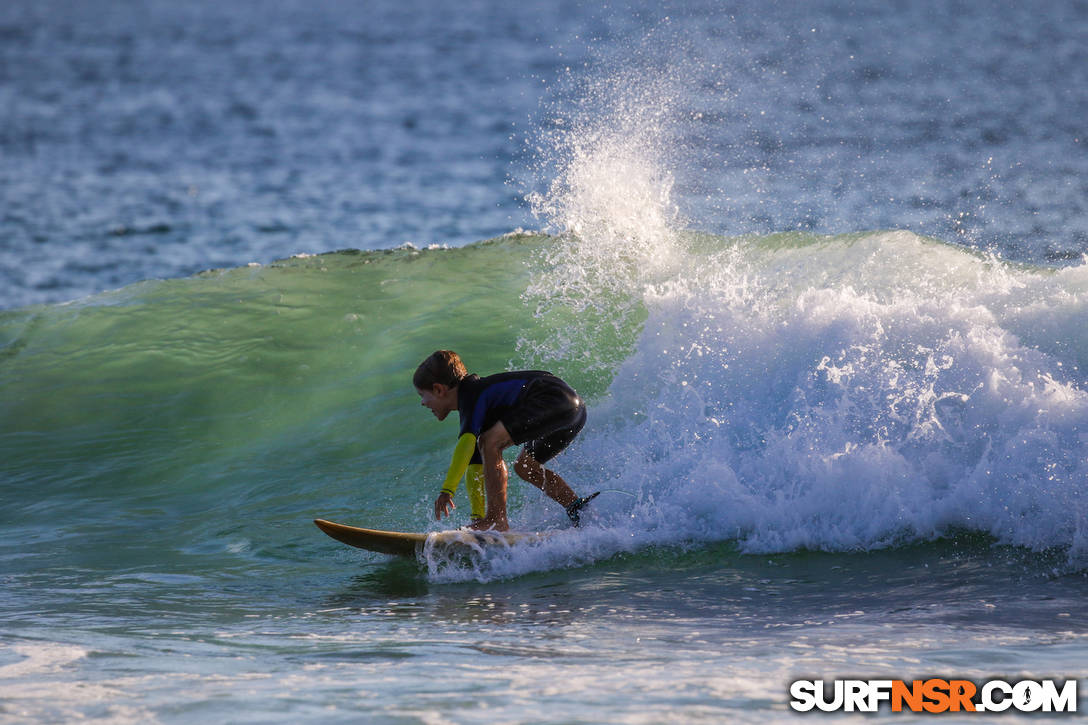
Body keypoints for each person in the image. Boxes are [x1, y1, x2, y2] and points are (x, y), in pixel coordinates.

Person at [413, 350, 599, 531]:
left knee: (490, 441)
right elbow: (476, 462)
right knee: (525, 466)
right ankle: (577, 509)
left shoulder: (472, 394)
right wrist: (476, 518)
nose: (422, 403)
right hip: (574, 408)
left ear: (438, 389)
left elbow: (466, 445)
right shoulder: (477, 400)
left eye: (423, 395)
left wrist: (447, 491)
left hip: (553, 399)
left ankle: (496, 520)